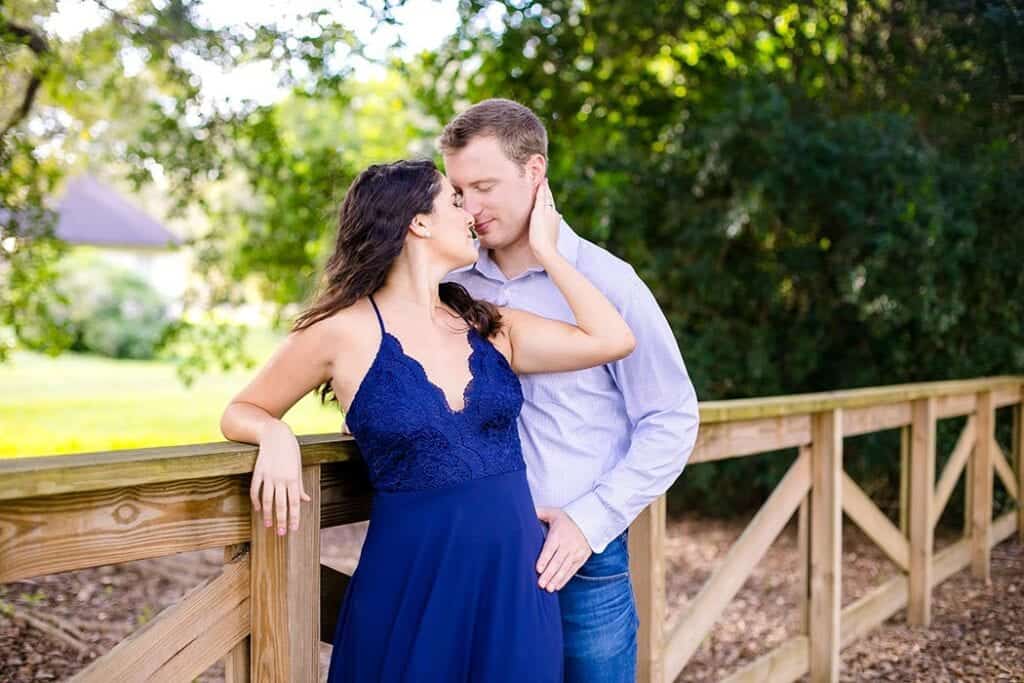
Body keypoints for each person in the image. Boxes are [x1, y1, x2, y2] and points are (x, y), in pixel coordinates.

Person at [219, 158, 636, 681]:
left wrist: (548, 252)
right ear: (418, 222)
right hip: (411, 582)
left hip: (513, 582)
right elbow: (242, 409)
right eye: (455, 201)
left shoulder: (489, 325)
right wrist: (274, 433)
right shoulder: (340, 332)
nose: (471, 213)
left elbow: (613, 340)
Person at [441, 98, 700, 682]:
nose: (471, 208)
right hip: (475, 548)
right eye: (459, 192)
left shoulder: (608, 281)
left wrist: (592, 520)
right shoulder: (446, 284)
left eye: (484, 186)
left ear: (535, 172)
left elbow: (672, 416)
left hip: (580, 556)